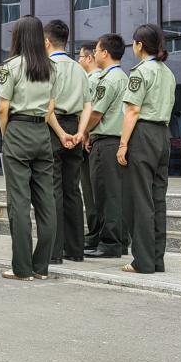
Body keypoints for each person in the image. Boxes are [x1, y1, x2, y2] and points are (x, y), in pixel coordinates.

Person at [0, 16, 61, 281]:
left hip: (18, 129)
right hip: (41, 133)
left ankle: (22, 268)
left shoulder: (11, 66)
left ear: (18, 36)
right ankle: (41, 267)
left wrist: (7, 135)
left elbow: (3, 108)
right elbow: (50, 106)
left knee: (19, 203)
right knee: (46, 201)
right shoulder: (51, 67)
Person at [118, 23, 177, 274]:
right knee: (157, 198)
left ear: (139, 45)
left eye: (134, 43)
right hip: (163, 134)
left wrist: (123, 144)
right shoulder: (168, 73)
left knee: (140, 198)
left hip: (143, 134)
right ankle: (156, 259)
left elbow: (132, 110)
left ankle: (142, 261)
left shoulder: (141, 72)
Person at [44, 20, 91, 264]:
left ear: (47, 41)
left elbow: (47, 107)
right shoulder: (78, 68)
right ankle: (75, 249)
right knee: (73, 189)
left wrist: (61, 133)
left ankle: (54, 251)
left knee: (53, 189)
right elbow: (87, 104)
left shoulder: (46, 67)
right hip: (75, 126)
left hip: (54, 128)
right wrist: (81, 132)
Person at [81, 34, 129, 259]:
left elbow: (96, 113)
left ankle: (110, 243)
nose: (95, 54)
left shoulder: (108, 80)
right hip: (115, 141)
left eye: (97, 51)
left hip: (106, 142)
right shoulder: (124, 77)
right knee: (115, 194)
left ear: (105, 53)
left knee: (105, 194)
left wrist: (84, 132)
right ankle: (118, 240)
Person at [77, 44, 100, 244]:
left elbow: (92, 112)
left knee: (91, 190)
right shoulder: (101, 78)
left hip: (90, 141)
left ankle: (95, 233)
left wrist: (84, 133)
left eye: (81, 57)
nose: (78, 60)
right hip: (95, 139)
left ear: (90, 58)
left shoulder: (92, 80)